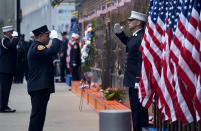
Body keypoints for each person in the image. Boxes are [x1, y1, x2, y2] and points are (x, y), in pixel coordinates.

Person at [114, 11, 149, 131]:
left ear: (139, 22)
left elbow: (141, 59)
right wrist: (120, 33)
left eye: (131, 20)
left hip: (137, 80)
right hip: (132, 79)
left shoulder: (142, 36)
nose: (129, 22)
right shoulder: (136, 36)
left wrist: (139, 79)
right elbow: (129, 43)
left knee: (139, 111)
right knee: (135, 109)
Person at [27, 25, 60, 131]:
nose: (49, 37)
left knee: (39, 117)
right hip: (38, 88)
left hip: (40, 87)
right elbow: (52, 51)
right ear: (40, 36)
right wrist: (55, 38)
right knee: (37, 117)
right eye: (48, 35)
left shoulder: (38, 46)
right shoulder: (37, 47)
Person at [0, 26, 19, 113]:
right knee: (4, 89)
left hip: (8, 69)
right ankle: (3, 107)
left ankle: (4, 105)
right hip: (5, 70)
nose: (11, 33)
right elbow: (11, 45)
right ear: (7, 33)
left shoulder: (7, 40)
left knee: (6, 89)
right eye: (10, 32)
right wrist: (15, 38)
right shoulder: (5, 40)